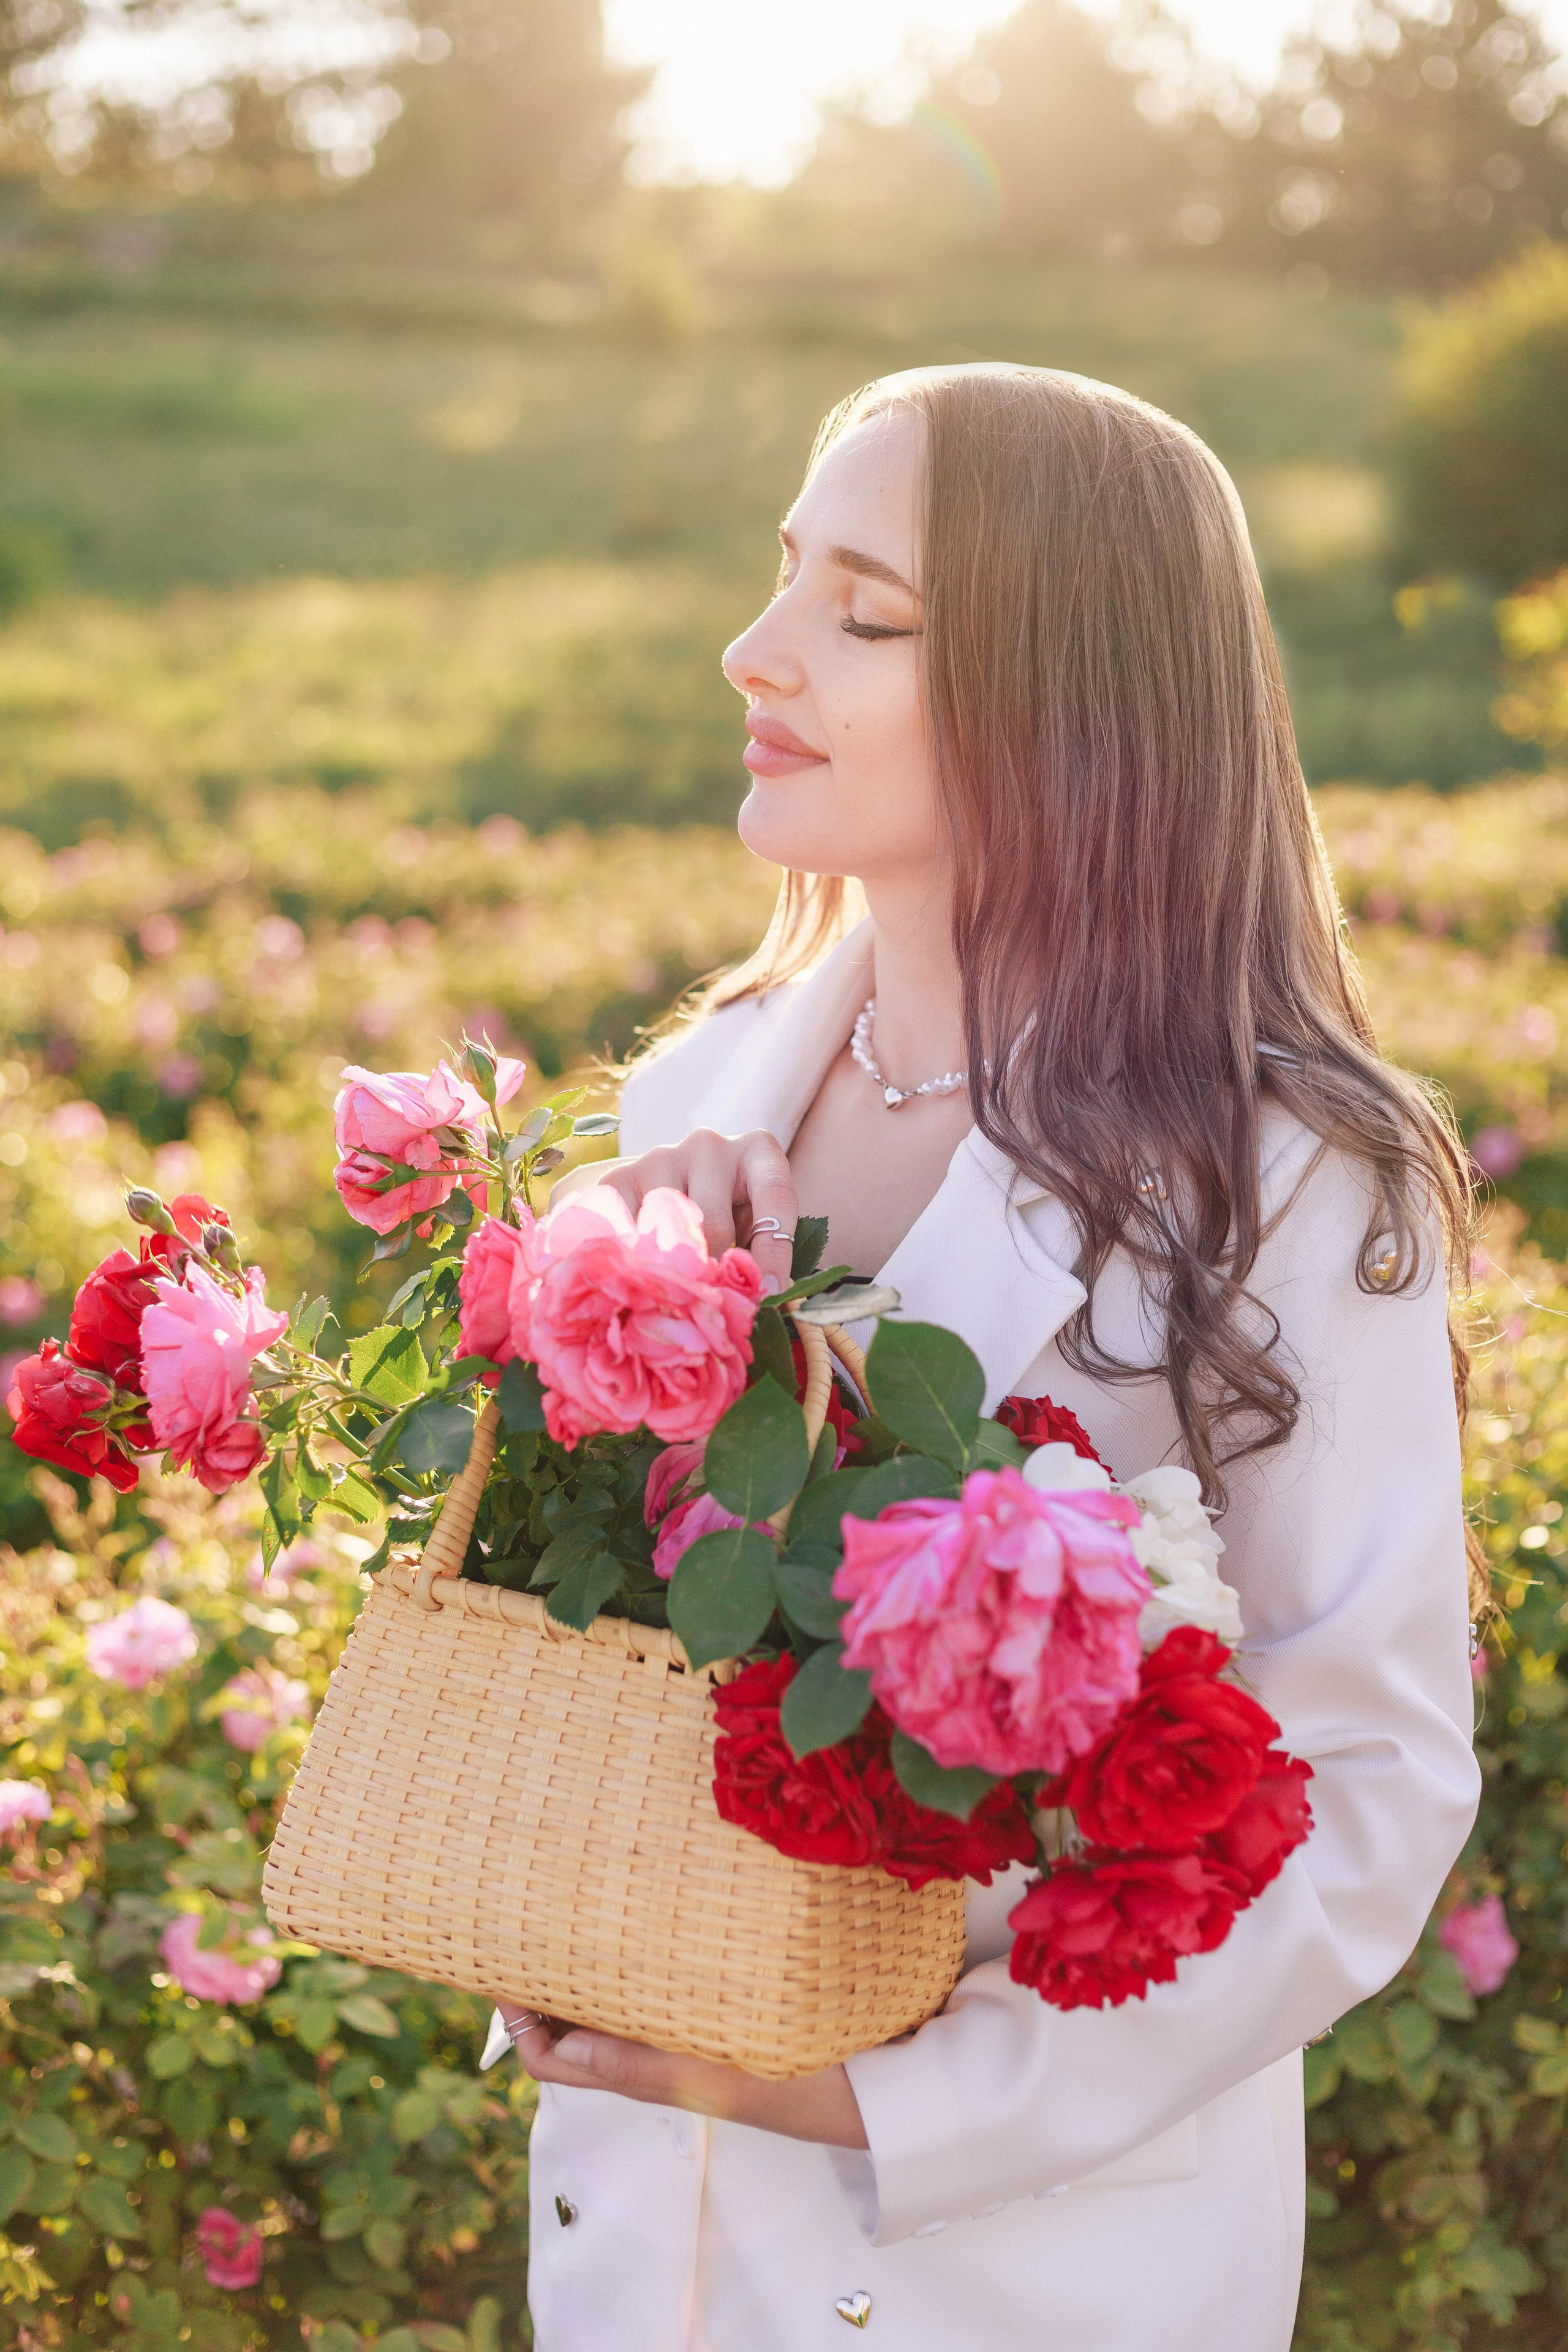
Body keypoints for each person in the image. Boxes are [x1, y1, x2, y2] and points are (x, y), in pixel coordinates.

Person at [498, 363, 1482, 2351]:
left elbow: (1371, 1784)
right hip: (645, 2234)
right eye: (787, 574)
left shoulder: (1289, 1170)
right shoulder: (686, 1100)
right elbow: (589, 1646)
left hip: (1032, 2262)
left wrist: (892, 2097)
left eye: (866, 616)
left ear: (1074, 697)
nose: (757, 649)